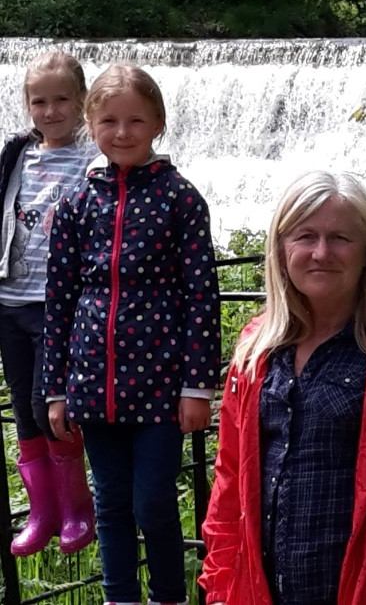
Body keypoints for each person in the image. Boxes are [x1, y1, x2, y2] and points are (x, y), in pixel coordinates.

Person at [199, 170, 366, 604]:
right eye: (305, 236)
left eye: (340, 238)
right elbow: (230, 488)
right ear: (281, 250)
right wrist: (220, 589)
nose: (321, 253)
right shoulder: (256, 350)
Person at [43, 64, 221, 605]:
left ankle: (169, 596)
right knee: (111, 504)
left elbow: (201, 295)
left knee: (153, 503)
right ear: (91, 124)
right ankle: (119, 598)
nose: (122, 133)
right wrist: (55, 389)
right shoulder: (77, 204)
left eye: (136, 121)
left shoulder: (180, 199)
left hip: (162, 387)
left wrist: (198, 386)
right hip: (93, 387)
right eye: (110, 121)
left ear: (158, 124)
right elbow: (59, 300)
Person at [0, 50, 97, 557]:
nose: (50, 111)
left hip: (56, 304)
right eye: (39, 102)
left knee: (49, 405)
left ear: (82, 101)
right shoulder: (17, 154)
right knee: (23, 408)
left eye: (61, 100)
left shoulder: (92, 158)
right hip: (9, 299)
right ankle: (43, 513)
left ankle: (78, 508)